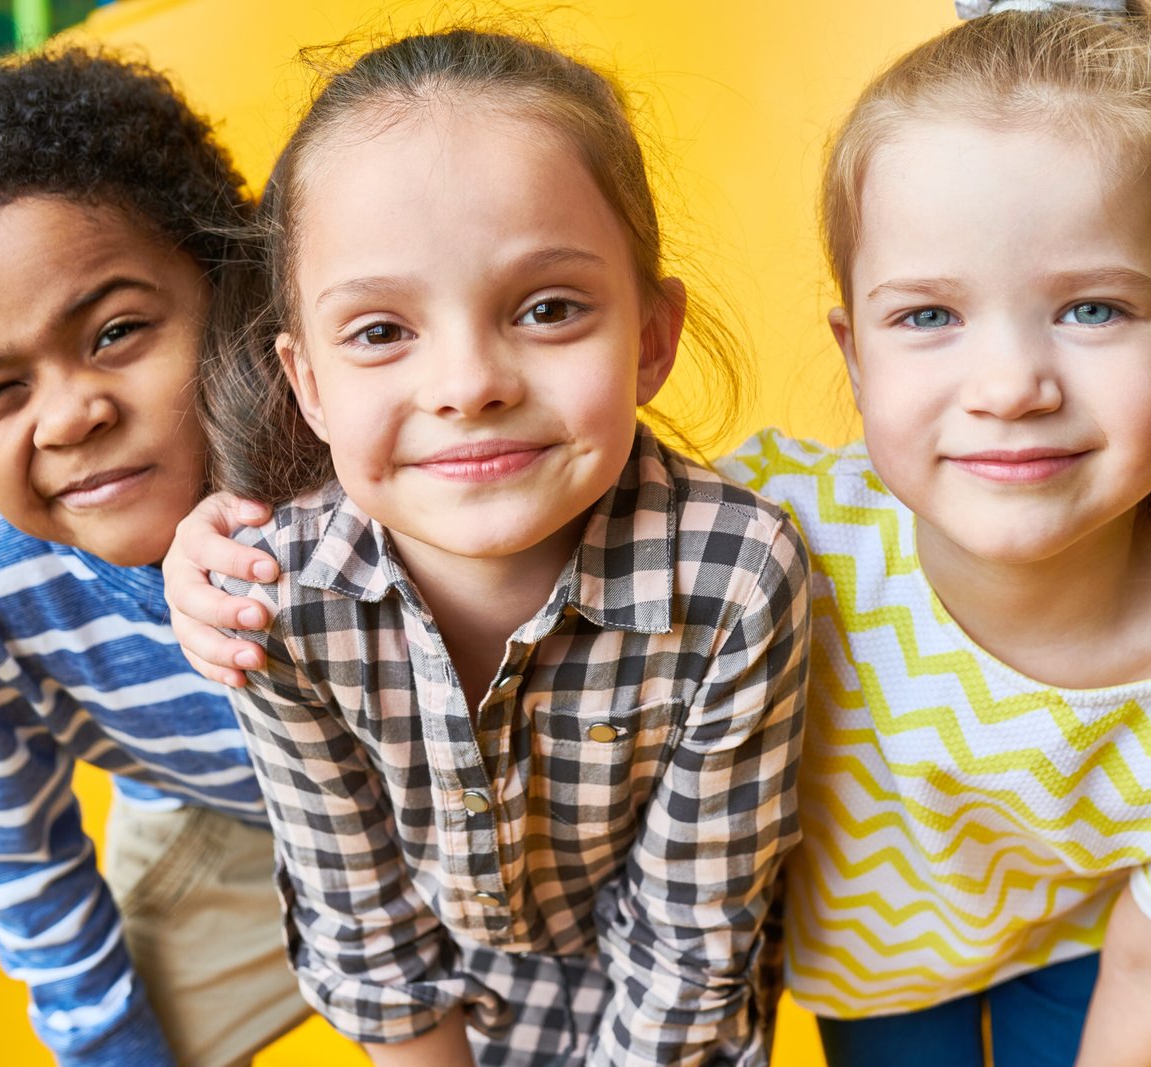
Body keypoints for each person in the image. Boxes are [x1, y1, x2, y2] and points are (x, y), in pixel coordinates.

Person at [171, 3, 1151, 1065]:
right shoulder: (796, 527)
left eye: (1092, 307)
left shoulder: (747, 556)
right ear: (853, 350)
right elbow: (358, 917)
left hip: (1066, 945)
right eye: (929, 315)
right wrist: (188, 562)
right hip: (864, 974)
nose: (1010, 385)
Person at [191, 27, 810, 1067]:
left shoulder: (736, 575)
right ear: (307, 384)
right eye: (382, 331)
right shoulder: (275, 596)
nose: (468, 381)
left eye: (547, 308)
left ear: (650, 340)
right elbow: (361, 921)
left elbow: (688, 945)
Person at [0, 49, 307, 1067]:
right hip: (223, 833)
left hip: (465, 807)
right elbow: (16, 849)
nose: (72, 412)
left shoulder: (349, 463)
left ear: (232, 287)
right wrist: (107, 1039)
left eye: (117, 331)